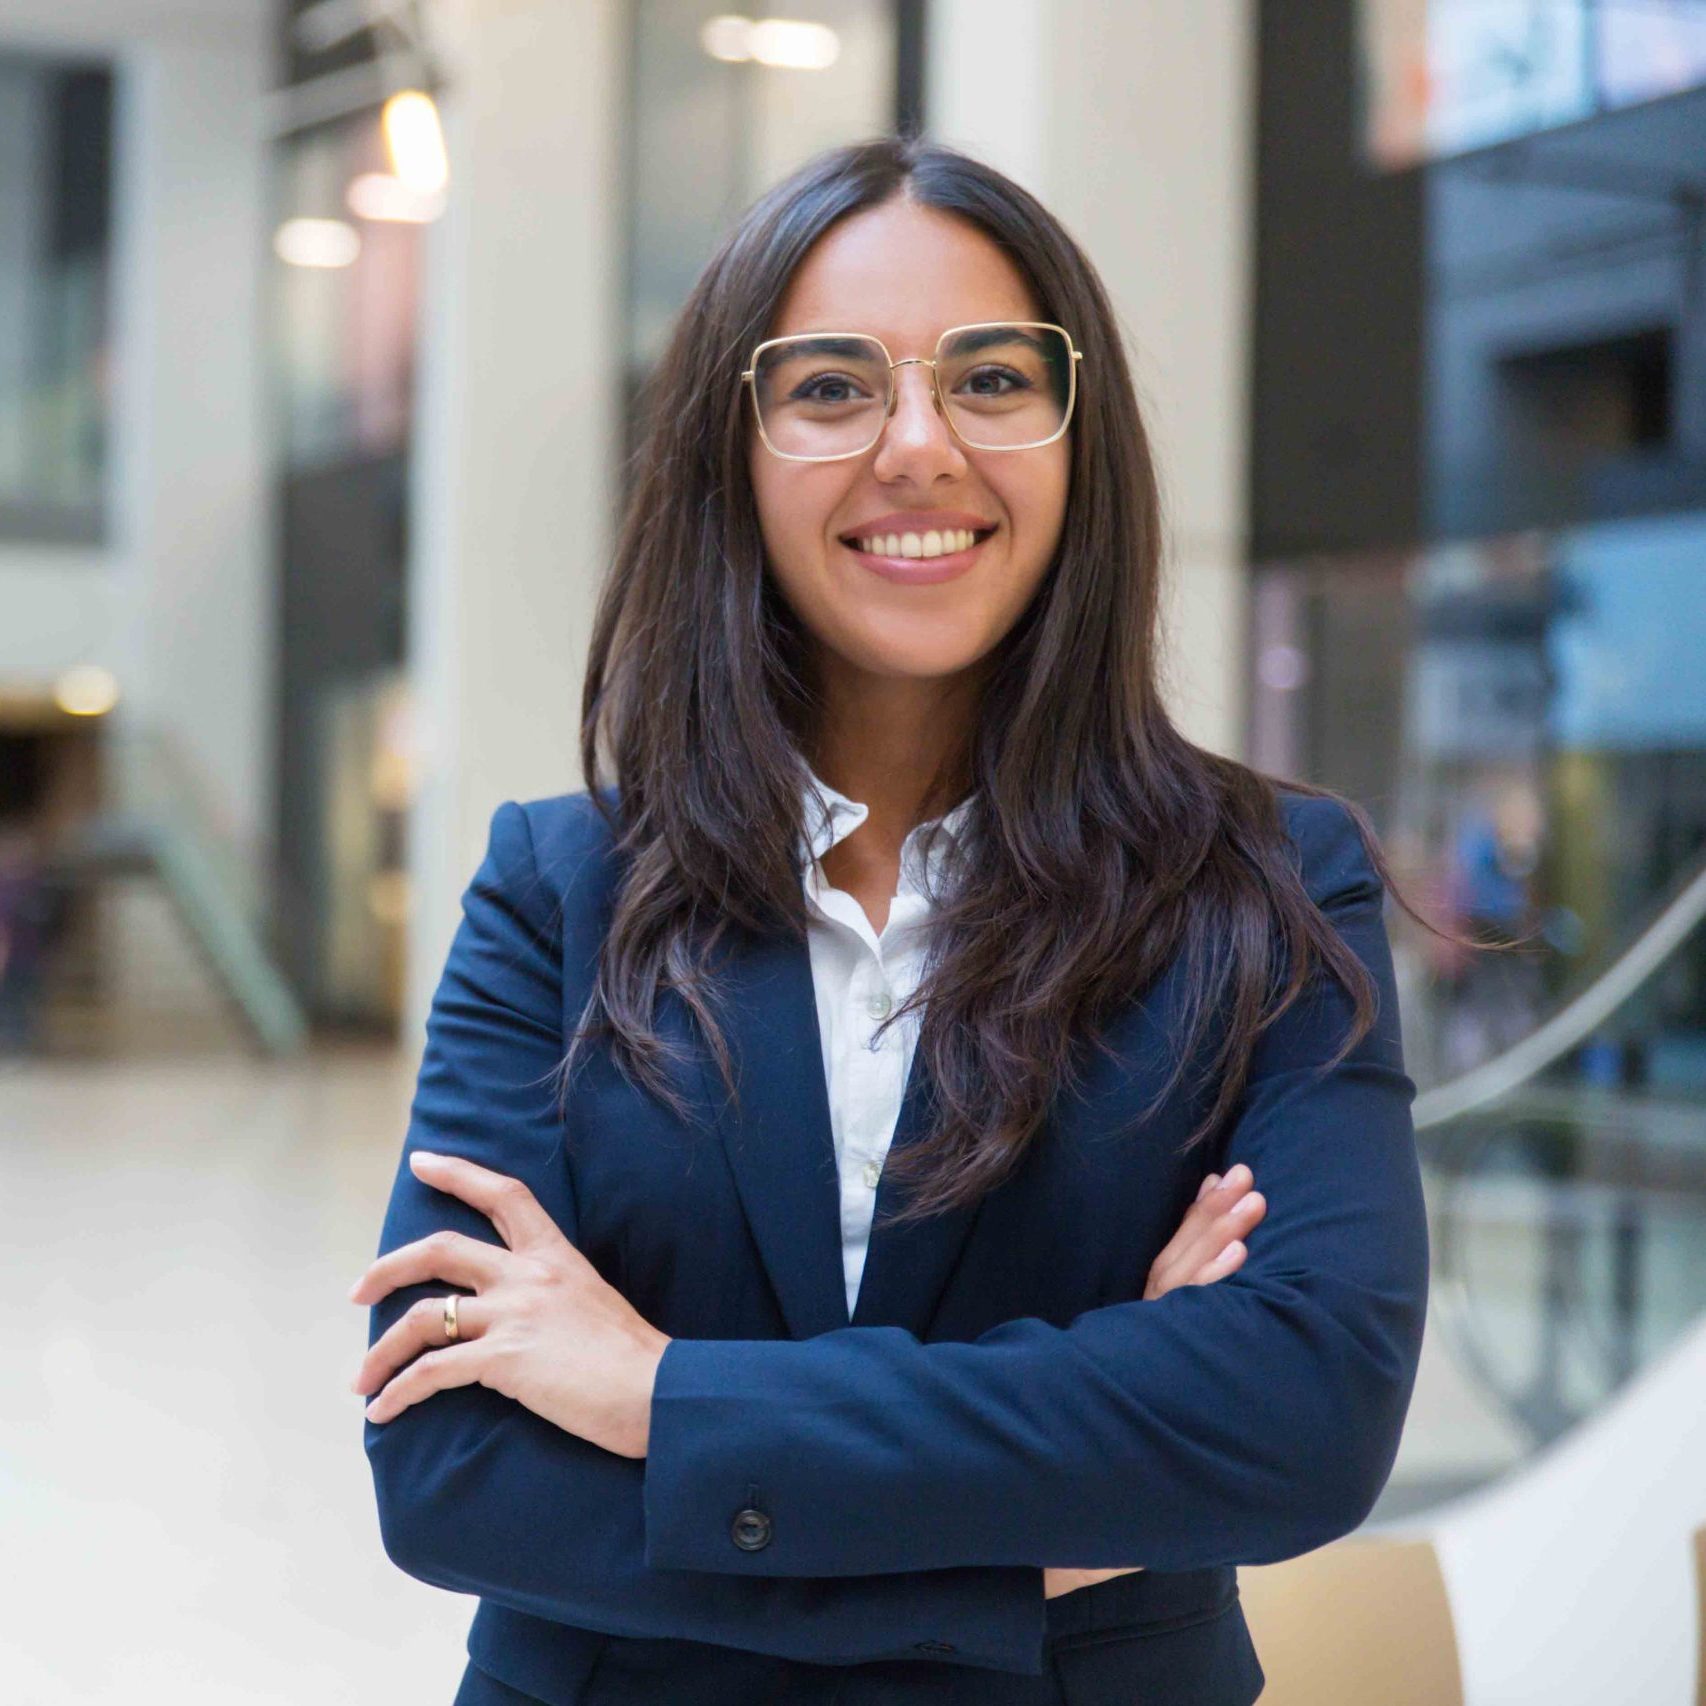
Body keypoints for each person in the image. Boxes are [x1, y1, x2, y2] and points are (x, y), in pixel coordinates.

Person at [349, 136, 1434, 1706]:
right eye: (831, 387)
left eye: (991, 378)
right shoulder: (559, 888)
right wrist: (1049, 1517)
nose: (918, 443)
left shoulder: (1260, 885)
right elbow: (448, 1467)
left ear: (1081, 438)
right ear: (732, 449)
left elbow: (1308, 1408)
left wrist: (662, 1395)